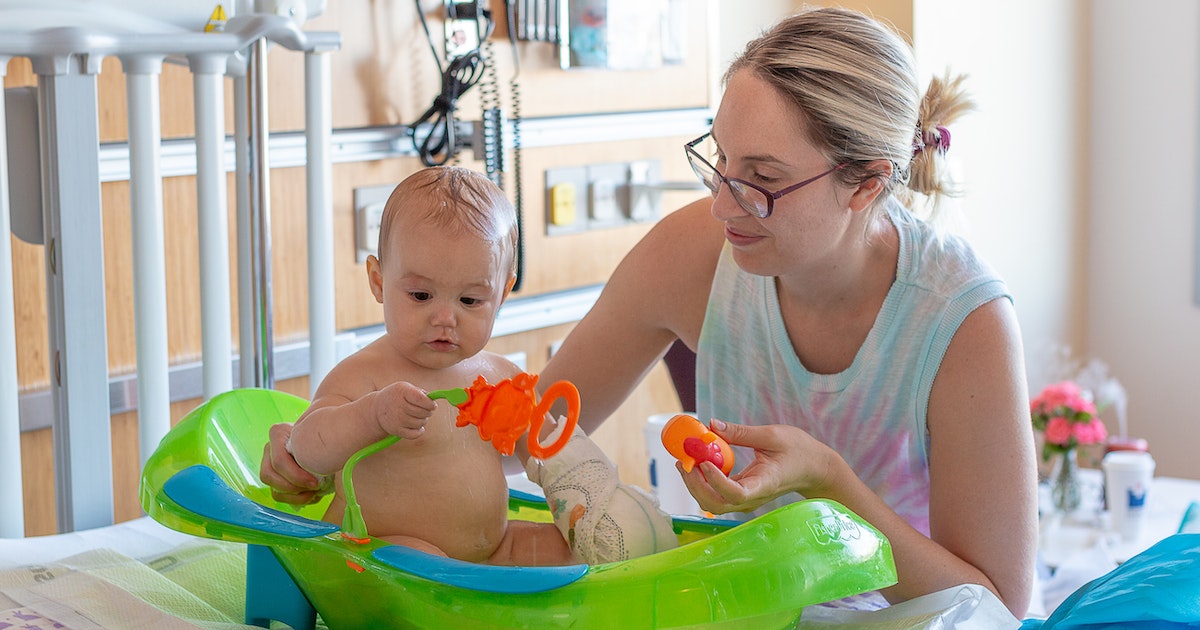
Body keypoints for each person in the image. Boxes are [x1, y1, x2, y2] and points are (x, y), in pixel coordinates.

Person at [263, 7, 1037, 616]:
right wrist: (326, 445)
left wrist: (831, 484)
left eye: (760, 178)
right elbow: (516, 435)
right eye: (718, 160)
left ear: (866, 183)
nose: (723, 203)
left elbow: (997, 603)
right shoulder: (693, 253)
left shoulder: (960, 322)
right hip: (743, 607)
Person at [277, 165, 676, 567]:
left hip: (494, 549)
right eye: (421, 295)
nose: (445, 318)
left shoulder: (501, 378)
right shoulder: (363, 375)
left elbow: (549, 455)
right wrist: (373, 415)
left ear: (502, 293)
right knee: (419, 562)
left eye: (469, 301)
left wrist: (595, 501)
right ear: (379, 282)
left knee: (575, 558)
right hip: (382, 553)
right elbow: (308, 449)